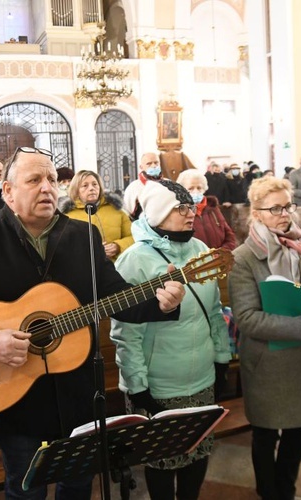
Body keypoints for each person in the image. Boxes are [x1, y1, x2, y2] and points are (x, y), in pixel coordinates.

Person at [0, 146, 185, 500]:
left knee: (78, 487)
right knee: (26, 492)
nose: (47, 187)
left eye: (52, 179)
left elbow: (116, 298)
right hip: (15, 395)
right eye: (34, 179)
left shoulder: (83, 236)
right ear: (8, 191)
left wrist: (161, 302)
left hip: (78, 394)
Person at [110, 179, 231, 500]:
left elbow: (215, 311)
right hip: (159, 385)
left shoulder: (201, 250)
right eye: (181, 208)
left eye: (191, 205)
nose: (191, 213)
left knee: (198, 453)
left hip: (202, 378)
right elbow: (125, 333)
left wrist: (221, 361)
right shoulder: (135, 260)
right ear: (158, 213)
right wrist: (137, 387)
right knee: (162, 462)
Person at [227, 177, 301, 500]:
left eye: (288, 206)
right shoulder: (244, 258)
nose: (284, 214)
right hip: (269, 362)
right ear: (256, 214)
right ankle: (268, 491)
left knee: (298, 433)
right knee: (265, 435)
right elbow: (247, 319)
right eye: (274, 208)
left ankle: (285, 490)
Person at [58, 169, 133, 261]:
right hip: (85, 270)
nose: (91, 188)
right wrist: (91, 251)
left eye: (94, 184)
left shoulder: (116, 210)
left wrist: (118, 246)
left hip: (118, 267)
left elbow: (133, 236)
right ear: (76, 190)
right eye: (85, 186)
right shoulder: (68, 216)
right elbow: (63, 247)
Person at [176, 169, 237, 250]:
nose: (196, 191)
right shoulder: (179, 213)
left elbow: (229, 235)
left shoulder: (213, 208)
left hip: (221, 259)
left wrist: (222, 252)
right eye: (191, 188)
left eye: (199, 188)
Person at [123, 152, 164, 219]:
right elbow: (128, 214)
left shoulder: (169, 184)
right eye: (149, 163)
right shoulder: (133, 188)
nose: (154, 166)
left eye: (156, 163)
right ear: (141, 167)